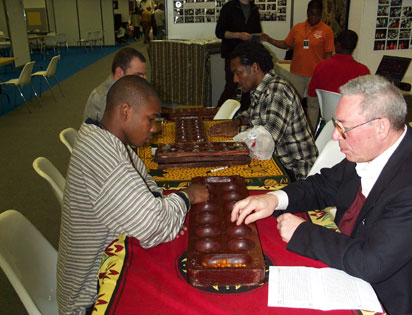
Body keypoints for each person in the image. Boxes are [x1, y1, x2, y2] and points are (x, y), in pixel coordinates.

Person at [231, 74, 412, 315]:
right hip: (347, 263)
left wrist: (302, 232)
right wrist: (273, 199)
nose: (334, 136)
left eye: (343, 127)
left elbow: (371, 263)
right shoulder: (368, 149)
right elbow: (322, 185)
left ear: (381, 126)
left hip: (387, 296)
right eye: (335, 124)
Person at [57, 75, 209, 314]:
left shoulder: (103, 136)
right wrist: (187, 196)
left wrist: (164, 210)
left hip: (105, 262)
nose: (155, 129)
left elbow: (147, 185)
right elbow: (156, 225)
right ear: (125, 111)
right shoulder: (104, 158)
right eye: (150, 119)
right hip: (89, 300)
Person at [209, 41, 317, 181]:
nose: (235, 79)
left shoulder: (277, 91)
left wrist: (237, 131)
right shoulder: (263, 88)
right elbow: (251, 114)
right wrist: (237, 122)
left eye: (238, 73)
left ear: (255, 67)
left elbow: (265, 141)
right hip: (278, 162)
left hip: (295, 173)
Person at [261, 0, 334, 100]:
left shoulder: (327, 31)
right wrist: (269, 39)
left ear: (320, 14)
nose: (313, 17)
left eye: (316, 14)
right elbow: (285, 44)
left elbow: (328, 55)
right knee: (293, 100)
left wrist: (326, 74)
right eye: (310, 13)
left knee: (313, 103)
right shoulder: (297, 28)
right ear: (307, 12)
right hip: (297, 73)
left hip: (315, 75)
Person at [306, 30, 371, 132]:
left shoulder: (321, 66)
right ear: (353, 47)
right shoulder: (363, 70)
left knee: (312, 102)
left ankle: (311, 132)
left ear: (337, 45)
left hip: (327, 116)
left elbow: (311, 92)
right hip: (349, 119)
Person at [215, 0, 262, 110]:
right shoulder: (229, 7)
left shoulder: (254, 9)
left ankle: (245, 114)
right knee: (232, 85)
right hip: (232, 55)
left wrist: (257, 37)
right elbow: (219, 32)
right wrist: (237, 35)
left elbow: (257, 32)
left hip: (249, 56)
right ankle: (219, 113)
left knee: (248, 86)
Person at [83, 47, 147, 122]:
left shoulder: (125, 89)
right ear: (120, 73)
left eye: (143, 75)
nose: (143, 79)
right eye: (137, 75)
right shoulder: (103, 98)